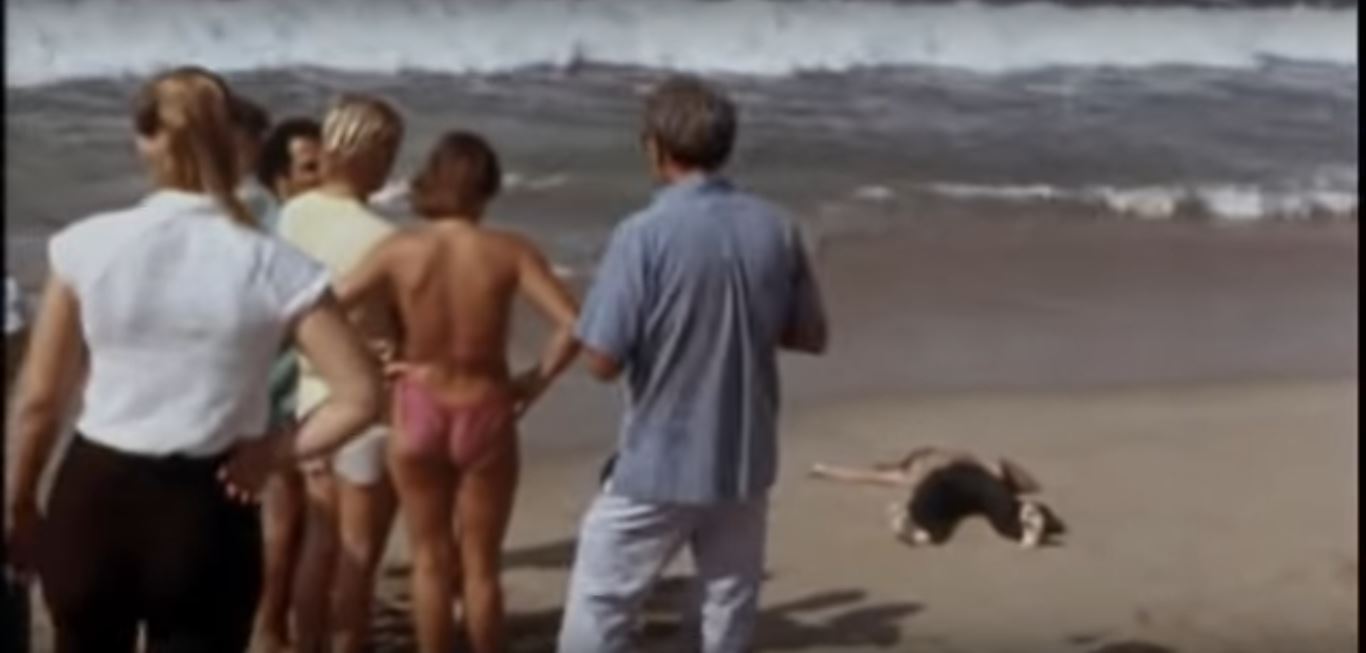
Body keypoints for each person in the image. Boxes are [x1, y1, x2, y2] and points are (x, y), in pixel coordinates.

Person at [2, 66, 382, 653]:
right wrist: (275, 452)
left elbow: (40, 401)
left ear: (145, 141)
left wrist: (20, 500)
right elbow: (361, 395)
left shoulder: (87, 245)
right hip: (209, 505)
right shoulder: (274, 263)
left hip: (96, 494)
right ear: (230, 141)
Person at [556, 76, 829, 653]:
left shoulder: (642, 235)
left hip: (660, 457)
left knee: (601, 605)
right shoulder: (776, 227)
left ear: (655, 147)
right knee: (725, 611)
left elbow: (602, 360)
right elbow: (809, 333)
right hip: (744, 456)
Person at [335, 131, 580, 653]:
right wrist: (533, 382)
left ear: (430, 181)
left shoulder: (400, 249)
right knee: (481, 567)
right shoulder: (508, 251)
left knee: (429, 560)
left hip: (417, 403)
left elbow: (327, 307)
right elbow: (573, 325)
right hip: (485, 405)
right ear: (488, 188)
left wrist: (370, 360)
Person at [277, 95, 403, 653]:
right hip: (369, 401)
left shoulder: (294, 213)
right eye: (388, 153)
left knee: (320, 543)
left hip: (310, 396)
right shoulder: (384, 236)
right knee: (359, 554)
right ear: (373, 155)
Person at [250, 116, 325, 653]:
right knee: (285, 516)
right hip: (277, 391)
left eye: (325, 165)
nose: (320, 177)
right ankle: (271, 625)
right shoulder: (276, 233)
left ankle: (280, 621)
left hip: (309, 389)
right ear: (280, 178)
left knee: (298, 519)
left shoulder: (310, 226)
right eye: (308, 168)